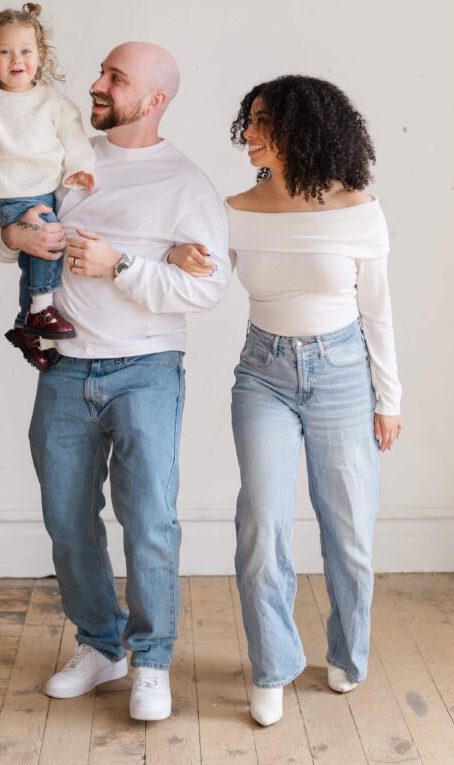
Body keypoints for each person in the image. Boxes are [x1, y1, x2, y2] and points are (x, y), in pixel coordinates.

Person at [0, 42, 230, 721]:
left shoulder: (187, 184)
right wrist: (13, 241)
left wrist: (122, 264)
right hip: (63, 370)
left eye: (114, 79)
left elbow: (208, 288)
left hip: (145, 370)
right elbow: (12, 221)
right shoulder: (68, 162)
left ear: (152, 101)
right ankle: (102, 645)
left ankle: (151, 659)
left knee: (149, 520)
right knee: (67, 520)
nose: (96, 85)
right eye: (101, 72)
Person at [170, 75, 403, 726]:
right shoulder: (234, 207)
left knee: (350, 532)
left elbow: (377, 311)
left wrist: (391, 397)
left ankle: (348, 656)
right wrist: (176, 252)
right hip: (263, 374)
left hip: (343, 375)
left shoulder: (359, 208)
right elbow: (204, 273)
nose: (247, 132)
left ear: (302, 128)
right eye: (247, 119)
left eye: (262, 120)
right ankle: (273, 665)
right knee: (261, 526)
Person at [0, 2, 95, 370]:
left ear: (41, 54)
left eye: (26, 51)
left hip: (44, 190)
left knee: (33, 258)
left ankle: (25, 325)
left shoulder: (52, 101)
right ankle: (41, 312)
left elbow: (74, 139)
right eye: (4, 51)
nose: (17, 59)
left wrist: (78, 169)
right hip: (5, 195)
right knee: (47, 237)